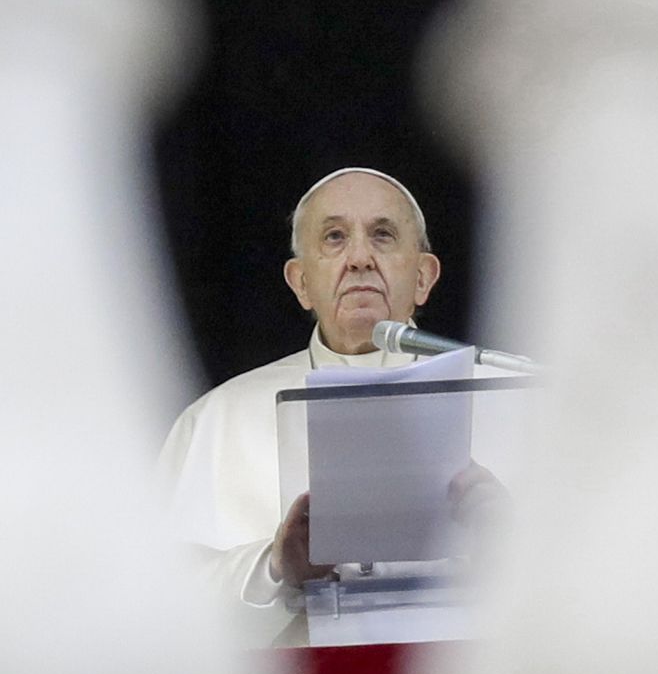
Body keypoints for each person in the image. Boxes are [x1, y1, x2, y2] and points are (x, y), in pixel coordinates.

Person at [159, 167, 499, 643]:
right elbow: (158, 602)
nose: (360, 257)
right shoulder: (216, 420)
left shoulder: (503, 395)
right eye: (335, 237)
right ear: (300, 283)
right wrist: (275, 566)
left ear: (423, 276)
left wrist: (509, 538)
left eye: (382, 236)